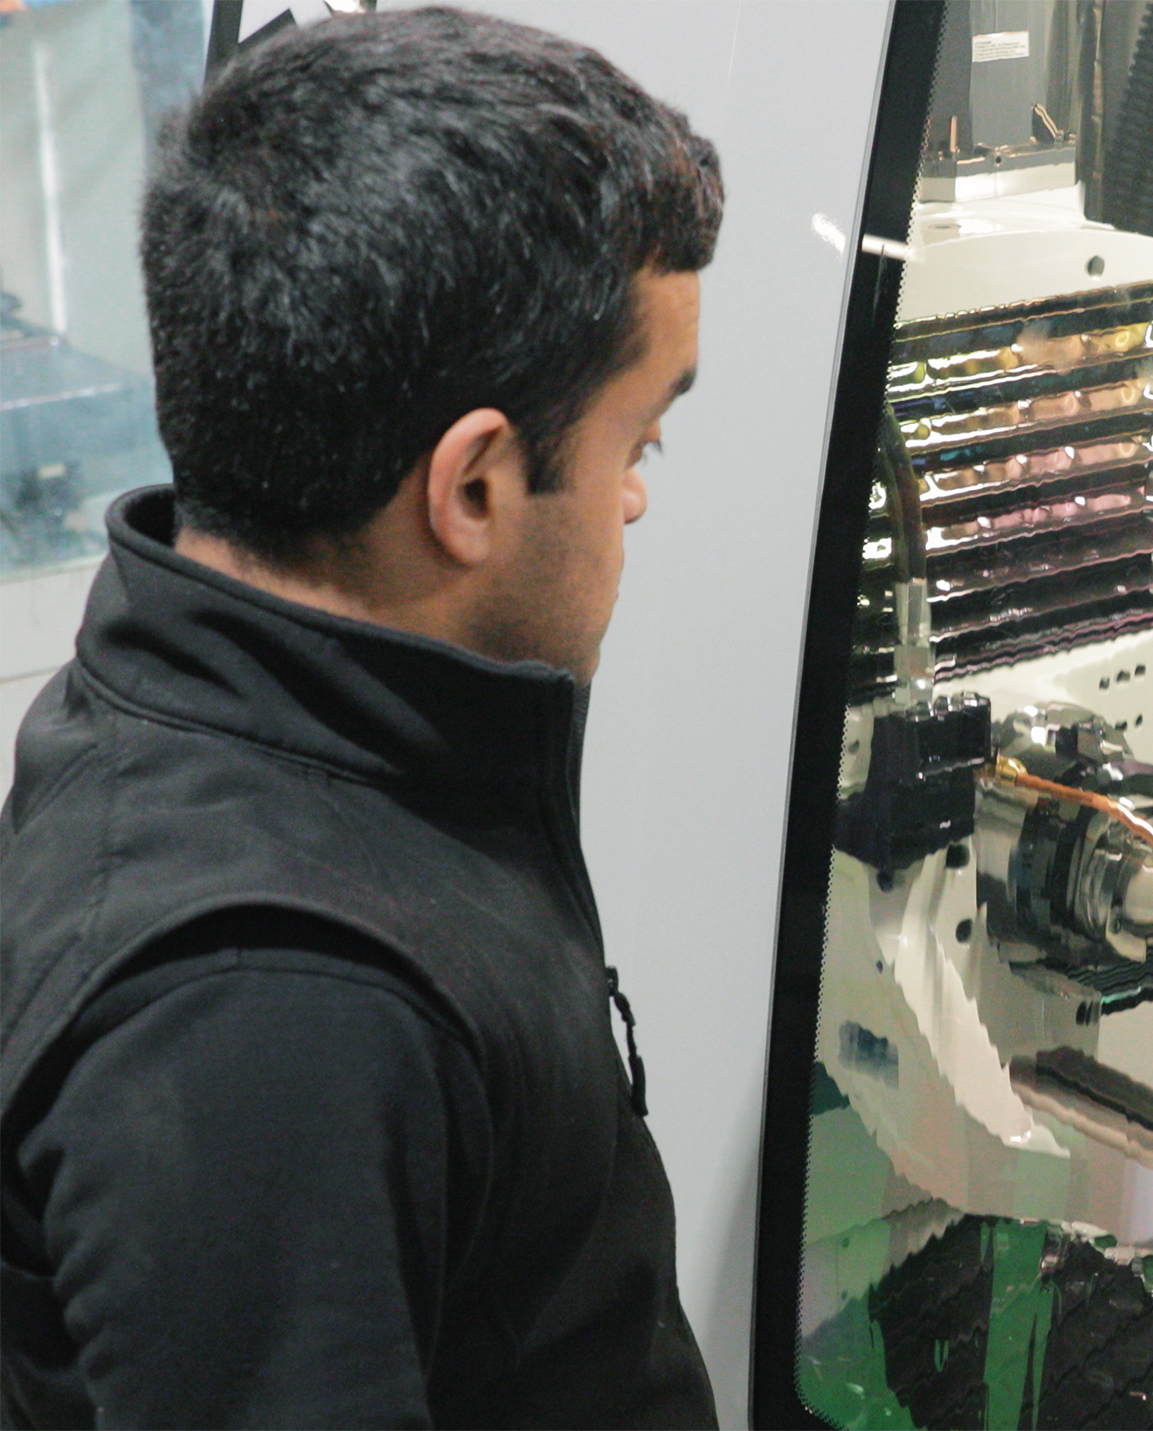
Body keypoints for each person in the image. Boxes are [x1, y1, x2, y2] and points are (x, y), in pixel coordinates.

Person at [0, 8, 722, 1426]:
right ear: (472, 491)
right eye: (635, 441)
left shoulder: (223, 683)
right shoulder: (273, 1018)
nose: (638, 492)